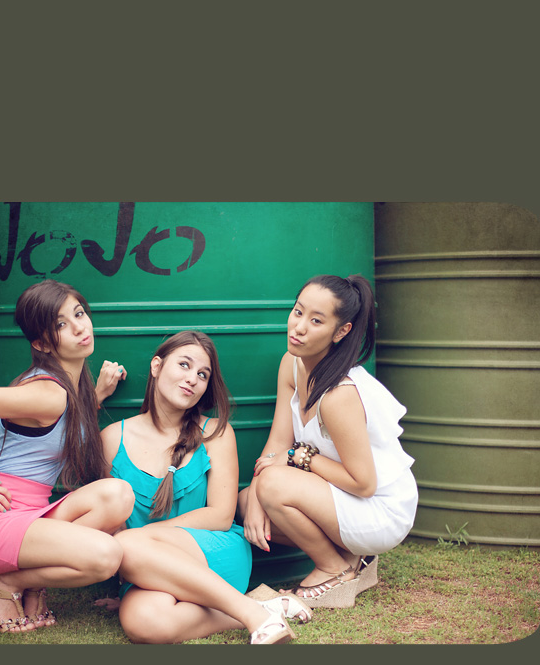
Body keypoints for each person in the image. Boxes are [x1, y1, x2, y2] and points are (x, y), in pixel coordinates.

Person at [0, 279, 135, 634]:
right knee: (106, 556)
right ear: (42, 343)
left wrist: (97, 394)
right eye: (61, 324)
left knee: (119, 494)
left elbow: (62, 425)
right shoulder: (49, 393)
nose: (79, 327)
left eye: (79, 313)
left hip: (33, 513)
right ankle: (7, 583)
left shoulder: (67, 387)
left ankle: (24, 579)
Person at [100, 331, 313, 644]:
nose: (192, 379)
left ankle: (255, 618)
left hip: (214, 551)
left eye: (202, 374)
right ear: (156, 366)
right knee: (144, 624)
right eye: (184, 365)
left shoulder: (216, 432)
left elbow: (221, 516)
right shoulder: (111, 438)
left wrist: (140, 540)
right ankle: (262, 606)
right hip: (147, 566)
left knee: (127, 544)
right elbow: (113, 524)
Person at [238, 274, 418, 608]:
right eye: (298, 312)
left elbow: (363, 484)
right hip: (345, 496)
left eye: (316, 321)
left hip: (381, 508)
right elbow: (277, 444)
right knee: (247, 501)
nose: (299, 327)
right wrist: (258, 494)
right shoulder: (292, 365)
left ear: (341, 332)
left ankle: (334, 570)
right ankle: (351, 558)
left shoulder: (339, 394)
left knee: (273, 486)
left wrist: (299, 457)